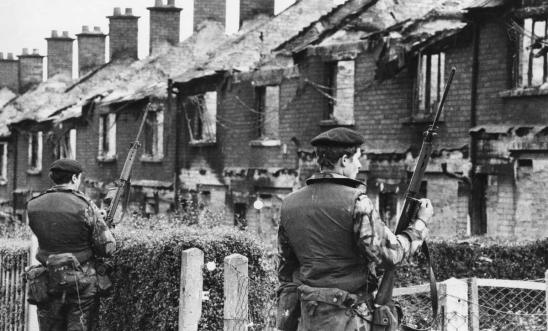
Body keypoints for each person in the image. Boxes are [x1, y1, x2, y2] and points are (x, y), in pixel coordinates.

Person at [276, 128, 433, 331]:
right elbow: (391, 255)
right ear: (343, 160)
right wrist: (419, 225)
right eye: (357, 158)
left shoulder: (289, 204)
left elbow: (286, 272)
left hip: (309, 319)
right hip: (351, 320)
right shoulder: (358, 202)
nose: (359, 165)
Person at [27, 159, 116, 331]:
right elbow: (107, 247)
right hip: (81, 283)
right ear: (75, 178)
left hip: (47, 280)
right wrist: (100, 222)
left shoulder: (33, 205)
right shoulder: (85, 205)